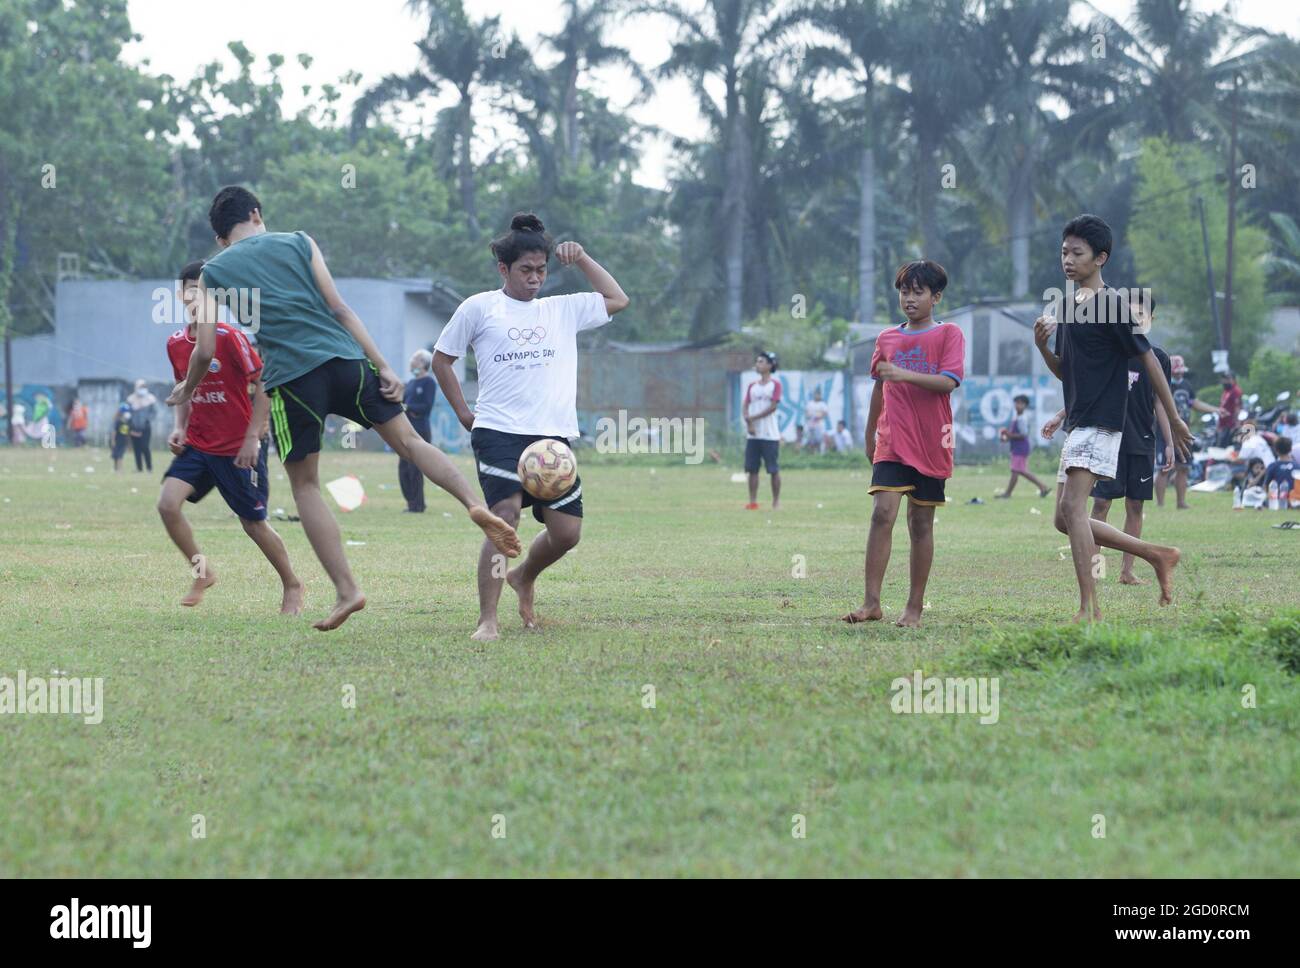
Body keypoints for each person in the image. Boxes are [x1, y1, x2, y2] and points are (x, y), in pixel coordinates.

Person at [168, 186, 521, 632]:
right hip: (347, 360)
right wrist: (385, 366)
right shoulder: (299, 241)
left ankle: (347, 589)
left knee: (307, 486)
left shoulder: (214, 272)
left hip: (293, 377)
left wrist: (187, 388)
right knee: (411, 443)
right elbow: (340, 308)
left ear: (220, 238)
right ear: (257, 213)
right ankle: (473, 504)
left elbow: (202, 352)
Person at [432, 213, 629, 641]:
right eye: (526, 270)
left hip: (551, 440)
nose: (535, 278)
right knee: (504, 519)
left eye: (541, 270)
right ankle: (488, 619)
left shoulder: (562, 309)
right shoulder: (479, 307)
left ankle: (523, 577)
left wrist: (583, 259)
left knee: (566, 533)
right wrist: (466, 414)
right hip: (499, 431)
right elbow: (442, 360)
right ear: (503, 269)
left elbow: (617, 299)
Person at [1033, 215, 1192, 621]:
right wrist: (1042, 347)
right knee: (1063, 519)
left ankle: (1090, 608)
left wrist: (1173, 418)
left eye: (1077, 253)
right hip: (1078, 423)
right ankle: (1155, 554)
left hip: (1104, 422)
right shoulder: (1068, 308)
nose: (1067, 259)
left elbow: (1149, 360)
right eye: (1064, 251)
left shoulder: (1113, 305)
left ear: (1100, 258)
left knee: (1073, 509)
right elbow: (1066, 371)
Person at [159, 260, 303, 612]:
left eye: (204, 289)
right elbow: (184, 388)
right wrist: (179, 427)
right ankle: (202, 571)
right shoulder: (176, 343)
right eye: (191, 288)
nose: (197, 295)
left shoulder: (229, 337)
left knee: (252, 524)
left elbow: (263, 384)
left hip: (237, 446)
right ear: (180, 294)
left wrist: (253, 437)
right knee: (167, 505)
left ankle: (292, 584)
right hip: (199, 442)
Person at [843, 259, 964, 629]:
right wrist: (869, 435)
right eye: (904, 291)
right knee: (882, 514)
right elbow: (880, 388)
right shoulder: (886, 339)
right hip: (892, 440)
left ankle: (914, 607)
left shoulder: (949, 335)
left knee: (921, 523)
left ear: (936, 296)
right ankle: (871, 603)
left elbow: (948, 382)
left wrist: (903, 374)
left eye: (918, 292)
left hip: (932, 440)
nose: (909, 299)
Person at [1078, 292, 1175, 586]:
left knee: (1135, 506)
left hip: (1142, 442)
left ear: (1150, 319)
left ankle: (1127, 571)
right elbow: (1092, 391)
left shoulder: (1158, 359)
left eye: (1140, 315)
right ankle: (1096, 570)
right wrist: (1061, 415)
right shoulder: (1113, 354)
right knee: (1101, 506)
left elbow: (1160, 402)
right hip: (1109, 440)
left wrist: (1169, 441)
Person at [1155, 355, 1216, 509]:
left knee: (1184, 467)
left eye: (1181, 371)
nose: (1179, 374)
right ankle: (1160, 504)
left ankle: (1181, 502)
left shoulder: (1187, 385)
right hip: (1166, 432)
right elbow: (1158, 407)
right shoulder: (1164, 384)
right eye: (1176, 372)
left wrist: (1215, 410)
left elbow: (1194, 403)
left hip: (1183, 432)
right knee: (1164, 467)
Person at [742, 351, 783, 510]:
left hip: (770, 435)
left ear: (769, 365)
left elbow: (772, 407)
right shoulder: (752, 386)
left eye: (761, 362)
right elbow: (745, 405)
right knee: (752, 469)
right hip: (753, 436)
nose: (757, 364)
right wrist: (748, 421)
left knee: (773, 469)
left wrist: (753, 418)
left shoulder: (775, 385)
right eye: (757, 361)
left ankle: (776, 502)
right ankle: (753, 501)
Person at [399, 349, 437, 513]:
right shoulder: (410, 383)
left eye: (415, 359)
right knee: (403, 469)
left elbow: (426, 406)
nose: (412, 361)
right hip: (405, 429)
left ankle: (418, 505)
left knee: (415, 469)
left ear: (423, 364)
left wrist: (407, 407)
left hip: (420, 429)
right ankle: (410, 503)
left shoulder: (429, 382)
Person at [996, 394, 1050, 498]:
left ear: (1025, 405)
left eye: (1020, 403)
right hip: (1017, 447)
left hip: (1021, 447)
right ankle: (1042, 487)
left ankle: (1042, 487)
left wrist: (1008, 434)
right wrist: (1006, 438)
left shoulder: (1022, 418)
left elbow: (1023, 434)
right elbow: (1013, 434)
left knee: (1019, 470)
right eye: (1016, 403)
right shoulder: (1016, 417)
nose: (1018, 405)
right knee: (1017, 471)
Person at [127, 379, 157, 472]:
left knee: (145, 446)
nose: (142, 389)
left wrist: (147, 419)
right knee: (136, 448)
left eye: (144, 387)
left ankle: (149, 468)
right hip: (134, 427)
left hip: (145, 427)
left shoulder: (150, 399)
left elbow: (154, 413)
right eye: (140, 387)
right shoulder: (131, 399)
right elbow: (127, 413)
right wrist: (130, 424)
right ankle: (139, 468)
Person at [1264, 436, 1296, 510]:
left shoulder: (1273, 466)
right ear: (1291, 449)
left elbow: (1266, 485)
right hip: (1294, 500)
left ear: (1276, 450)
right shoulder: (1297, 466)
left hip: (1276, 500)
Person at [1216, 371, 1243, 447]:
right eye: (1224, 379)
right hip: (1223, 424)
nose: (1225, 381)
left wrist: (1236, 424)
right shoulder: (1226, 391)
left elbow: (1237, 408)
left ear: (1233, 380)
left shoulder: (1236, 391)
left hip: (1230, 425)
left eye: (1227, 379)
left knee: (1227, 447)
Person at [803, 386, 829, 454]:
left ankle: (821, 453)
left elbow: (824, 413)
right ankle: (812, 453)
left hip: (819, 424)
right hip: (811, 424)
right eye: (816, 394)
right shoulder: (810, 403)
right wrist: (812, 416)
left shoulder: (822, 404)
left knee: (820, 439)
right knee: (811, 440)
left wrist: (817, 416)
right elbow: (807, 413)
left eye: (818, 394)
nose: (817, 396)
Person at [110, 403, 131, 471]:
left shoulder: (127, 422)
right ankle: (116, 468)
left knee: (120, 455)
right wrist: (113, 441)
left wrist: (128, 443)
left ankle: (120, 469)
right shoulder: (118, 421)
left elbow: (126, 433)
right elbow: (114, 432)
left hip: (123, 441)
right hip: (117, 440)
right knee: (116, 456)